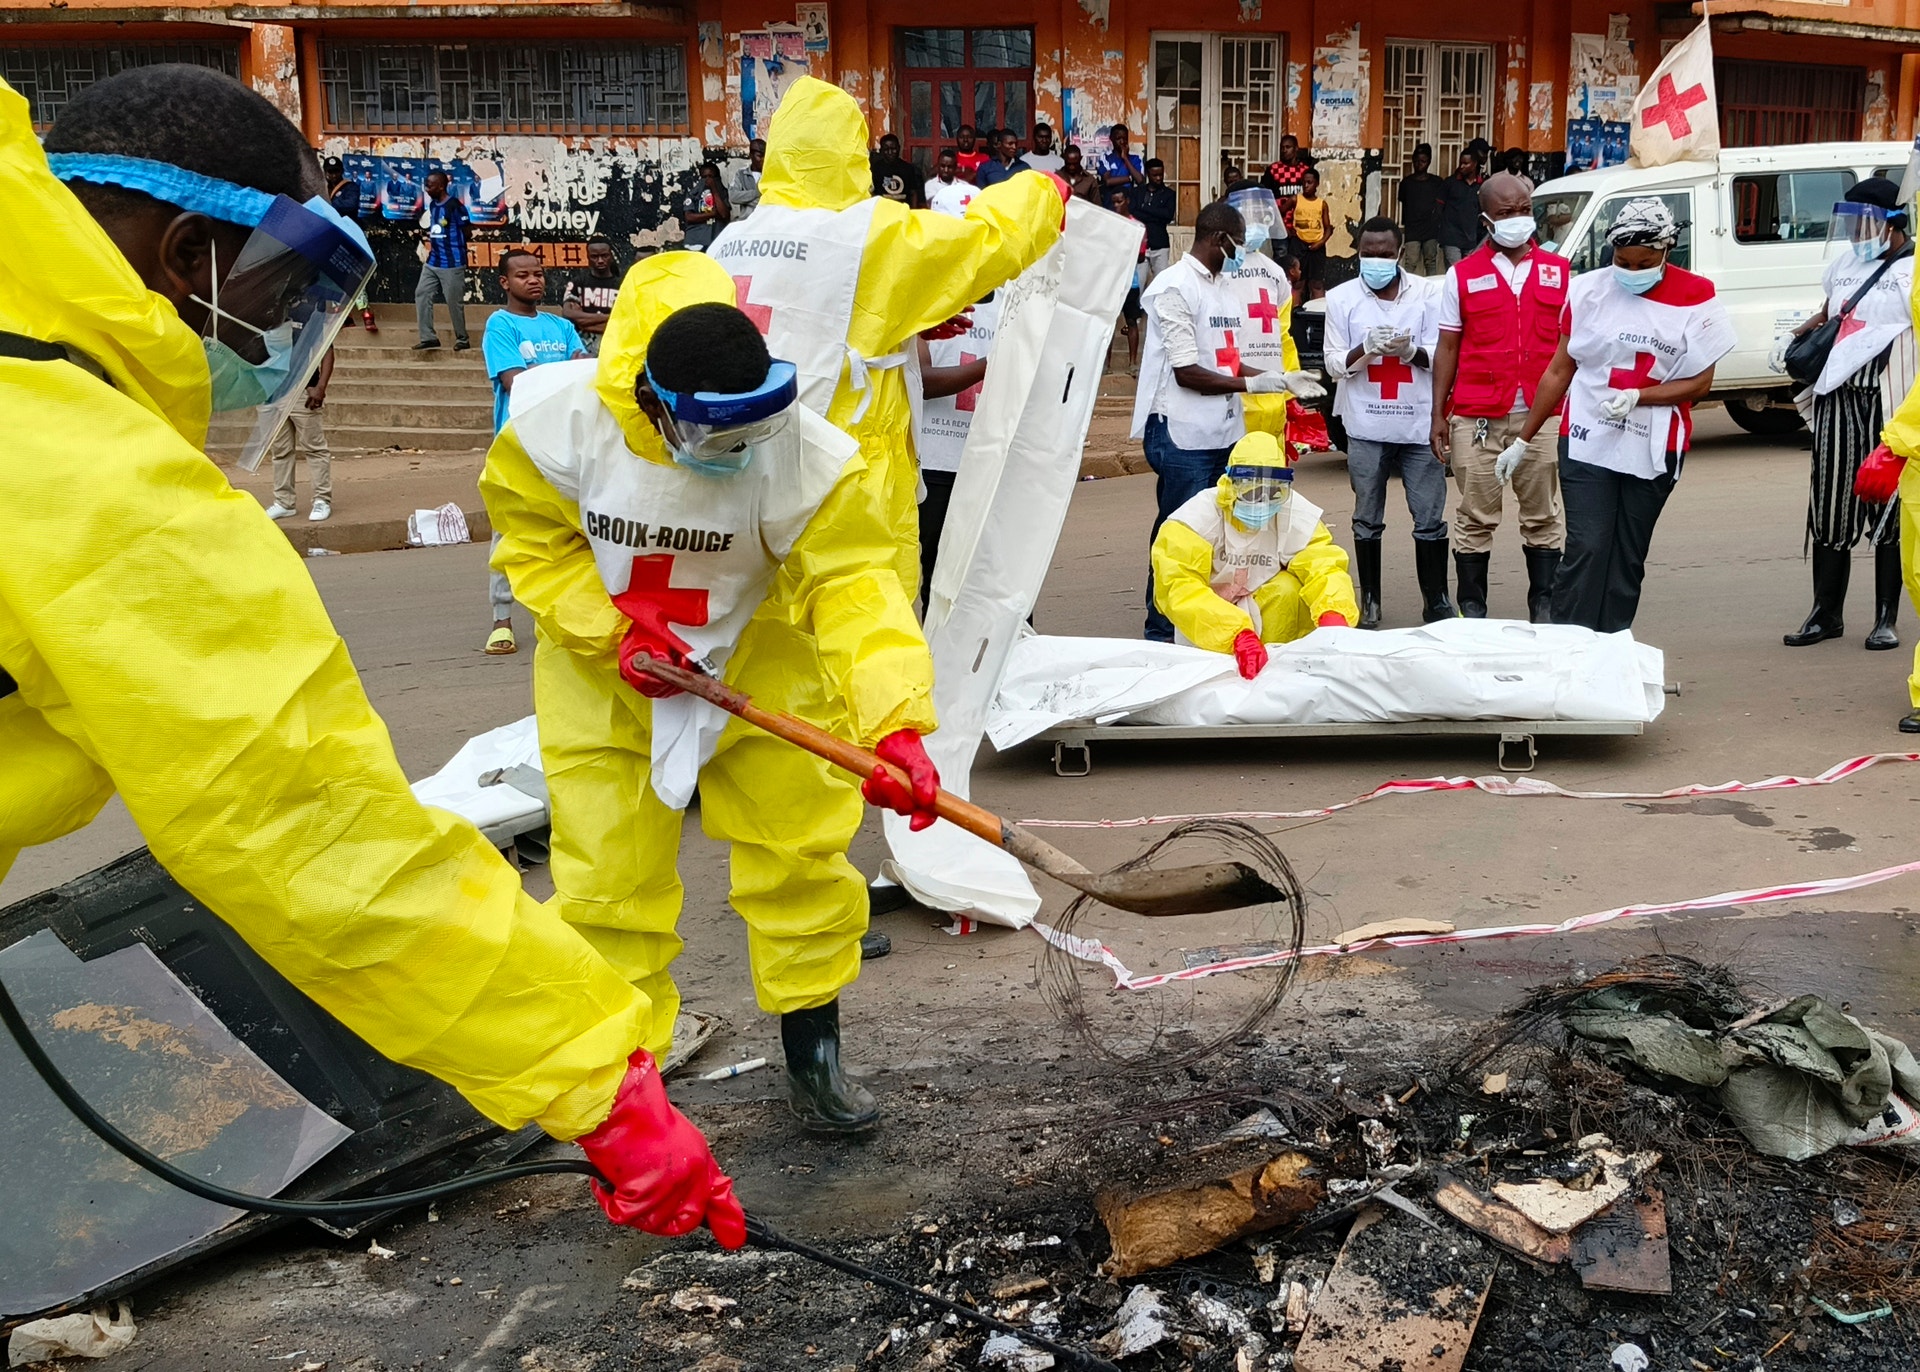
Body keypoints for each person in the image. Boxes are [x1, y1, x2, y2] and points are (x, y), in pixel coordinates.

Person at [9, 63, 743, 1249]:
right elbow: (313, 832)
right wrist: (595, 1081)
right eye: (281, 287)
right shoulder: (91, 474)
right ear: (188, 250)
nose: (285, 335)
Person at [481, 253, 941, 1132]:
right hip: (604, 685)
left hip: (761, 662)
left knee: (801, 857)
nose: (733, 457)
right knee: (608, 886)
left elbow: (855, 589)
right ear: (649, 400)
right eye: (712, 440)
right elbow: (532, 542)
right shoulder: (556, 426)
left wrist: (896, 723)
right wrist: (611, 628)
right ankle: (627, 1093)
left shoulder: (808, 456)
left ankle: (815, 1057)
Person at [708, 76, 1066, 604]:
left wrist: (902, 322)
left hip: (752, 482)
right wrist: (1040, 193)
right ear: (853, 154)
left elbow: (817, 318)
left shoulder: (730, 241)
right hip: (849, 489)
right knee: (868, 645)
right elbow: (981, 245)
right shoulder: (866, 235)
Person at [1502, 197, 1735, 631]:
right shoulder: (1587, 289)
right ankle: (1569, 647)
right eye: (1622, 261)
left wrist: (1639, 397)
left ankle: (1611, 649)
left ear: (1668, 250)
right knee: (1587, 546)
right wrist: (1523, 438)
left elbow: (1702, 383)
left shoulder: (1696, 294)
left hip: (1654, 444)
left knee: (1627, 554)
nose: (1631, 271)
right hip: (1588, 436)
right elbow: (1559, 368)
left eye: (1644, 261)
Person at [1131, 199, 1326, 640]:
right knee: (1180, 534)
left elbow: (1230, 363)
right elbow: (1187, 373)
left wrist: (1279, 380)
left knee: (1222, 536)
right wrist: (1252, 388)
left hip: (1224, 431)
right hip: (1183, 434)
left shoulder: (1223, 287)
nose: (1242, 251)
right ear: (1220, 239)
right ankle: (1163, 631)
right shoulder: (1173, 287)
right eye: (1238, 242)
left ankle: (1210, 625)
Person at [1778, 177, 1915, 651]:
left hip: (1891, 398)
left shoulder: (1913, 270)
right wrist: (1800, 334)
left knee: (1889, 505)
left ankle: (1885, 618)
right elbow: (1830, 312)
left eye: (1866, 224)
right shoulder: (1843, 264)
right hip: (1838, 394)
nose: (1857, 234)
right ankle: (1825, 613)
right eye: (1852, 224)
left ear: (1892, 224)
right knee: (1831, 502)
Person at [1430, 171, 1571, 620]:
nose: (1518, 220)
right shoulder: (1462, 275)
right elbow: (1447, 346)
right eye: (1507, 213)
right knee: (1474, 516)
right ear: (1487, 218)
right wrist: (1438, 416)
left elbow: (1575, 352)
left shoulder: (1561, 272)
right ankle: (1472, 607)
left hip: (1542, 415)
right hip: (1477, 417)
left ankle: (1543, 606)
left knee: (1543, 516)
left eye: (1525, 210)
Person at [1324, 217, 1451, 626]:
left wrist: (1410, 351)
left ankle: (1437, 601)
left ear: (1399, 254)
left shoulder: (1429, 294)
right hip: (1365, 425)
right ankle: (1371, 602)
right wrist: (1364, 348)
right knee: (1366, 515)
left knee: (1429, 516)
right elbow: (1333, 363)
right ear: (1358, 253)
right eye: (1367, 254)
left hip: (1418, 425)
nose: (1375, 260)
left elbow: (1445, 356)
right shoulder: (1341, 298)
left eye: (1383, 254)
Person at [1151, 430, 1356, 669]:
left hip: (1263, 606)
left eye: (1271, 491)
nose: (1261, 500)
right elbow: (1178, 587)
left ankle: (1285, 665)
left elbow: (1322, 563)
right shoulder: (1194, 520)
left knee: (1288, 588)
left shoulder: (1292, 512)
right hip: (1208, 619)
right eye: (1251, 491)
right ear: (1230, 485)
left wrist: (1333, 612)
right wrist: (1236, 634)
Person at [483, 248, 587, 653]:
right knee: (508, 534)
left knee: (572, 532)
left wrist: (554, 374)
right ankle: (501, 620)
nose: (534, 280)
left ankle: (565, 617)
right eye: (523, 275)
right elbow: (515, 382)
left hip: (563, 443)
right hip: (519, 447)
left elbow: (582, 370)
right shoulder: (500, 325)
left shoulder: (560, 326)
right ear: (505, 283)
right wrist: (561, 373)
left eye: (539, 273)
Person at [915, 294, 999, 601]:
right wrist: (989, 364)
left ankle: (1010, 646)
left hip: (992, 460)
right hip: (938, 462)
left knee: (999, 569)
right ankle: (941, 648)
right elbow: (921, 380)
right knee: (940, 574)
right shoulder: (930, 301)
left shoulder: (1011, 303)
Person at [264, 345, 335, 524]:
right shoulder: (268, 319)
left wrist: (320, 386)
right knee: (280, 450)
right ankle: (284, 502)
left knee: (314, 448)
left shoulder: (309, 316)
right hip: (273, 391)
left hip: (304, 389)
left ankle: (322, 499)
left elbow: (327, 350)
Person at [413, 168, 470, 352]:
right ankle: (428, 337)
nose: (427, 188)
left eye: (430, 185)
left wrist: (454, 244)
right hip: (433, 261)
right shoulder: (433, 205)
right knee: (421, 293)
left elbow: (467, 229)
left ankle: (462, 338)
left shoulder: (454, 205)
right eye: (426, 185)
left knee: (454, 301)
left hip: (452, 263)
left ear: (441, 186)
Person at [323, 154, 376, 332]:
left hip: (349, 235)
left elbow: (350, 205)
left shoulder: (350, 187)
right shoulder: (322, 187)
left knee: (355, 275)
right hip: (331, 236)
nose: (332, 175)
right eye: (329, 172)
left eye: (335, 171)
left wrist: (328, 203)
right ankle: (345, 316)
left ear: (341, 171)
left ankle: (366, 313)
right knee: (335, 277)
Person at [562, 234, 622, 357]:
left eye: (604, 256)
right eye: (594, 256)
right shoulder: (578, 283)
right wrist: (612, 317)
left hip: (615, 346)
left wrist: (584, 322)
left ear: (611, 255)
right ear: (588, 257)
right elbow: (568, 314)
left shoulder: (623, 284)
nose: (600, 260)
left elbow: (626, 321)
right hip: (583, 348)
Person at [1111, 186, 1145, 373]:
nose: (1116, 206)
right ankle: (1105, 365)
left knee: (1132, 322)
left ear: (1128, 201)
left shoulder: (1137, 227)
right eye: (1114, 202)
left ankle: (1133, 363)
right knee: (1108, 323)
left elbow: (1140, 257)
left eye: (1120, 201)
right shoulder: (1108, 225)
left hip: (1130, 282)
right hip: (1111, 282)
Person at [1397, 144, 1445, 277]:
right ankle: (1406, 289)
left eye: (1423, 161)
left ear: (1429, 162)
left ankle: (1431, 291)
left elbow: (1441, 204)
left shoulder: (1437, 182)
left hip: (1431, 228)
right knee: (1410, 262)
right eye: (1417, 161)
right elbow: (1403, 201)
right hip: (1412, 228)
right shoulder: (1406, 183)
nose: (1419, 164)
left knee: (1431, 262)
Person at [1438, 151, 1484, 268]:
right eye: (1461, 163)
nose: (1461, 166)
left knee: (1469, 273)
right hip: (1451, 238)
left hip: (1471, 239)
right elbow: (1439, 208)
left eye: (1466, 163)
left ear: (1474, 164)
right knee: (1455, 272)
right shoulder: (1450, 183)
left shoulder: (1482, 186)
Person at [1135, 159, 1177, 282]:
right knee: (1139, 286)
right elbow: (1134, 213)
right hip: (1141, 245)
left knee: (1161, 285)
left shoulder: (1169, 194)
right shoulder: (1138, 192)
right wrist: (1156, 214)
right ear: (1148, 174)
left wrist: (1145, 208)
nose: (1158, 178)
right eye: (1155, 175)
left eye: (1161, 174)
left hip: (1160, 246)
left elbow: (1168, 216)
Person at [1291, 166, 1329, 297]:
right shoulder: (1296, 199)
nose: (1306, 186)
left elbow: (1328, 228)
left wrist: (1321, 242)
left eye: (1309, 183)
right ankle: (1294, 314)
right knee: (1298, 283)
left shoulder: (1322, 204)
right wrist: (1288, 230)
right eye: (1304, 182)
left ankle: (1318, 313)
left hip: (1317, 246)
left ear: (1317, 184)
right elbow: (1280, 214)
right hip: (1299, 246)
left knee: (1317, 283)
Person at [1262, 134, 1311, 235]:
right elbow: (1265, 197)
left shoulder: (1305, 171)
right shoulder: (1273, 170)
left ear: (1296, 148)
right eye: (1282, 148)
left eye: (1288, 147)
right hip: (1278, 224)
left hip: (1301, 225)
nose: (1284, 150)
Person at [680, 162, 731, 250]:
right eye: (704, 177)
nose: (708, 180)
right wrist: (713, 214)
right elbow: (689, 217)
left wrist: (714, 189)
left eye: (710, 177)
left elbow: (724, 215)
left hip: (717, 242)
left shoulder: (723, 193)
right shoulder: (693, 194)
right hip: (696, 241)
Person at [870, 132, 926, 207]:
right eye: (886, 149)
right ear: (881, 151)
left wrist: (913, 211)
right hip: (883, 210)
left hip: (903, 209)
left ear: (899, 148)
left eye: (893, 149)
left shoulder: (908, 168)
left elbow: (913, 193)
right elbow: (872, 193)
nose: (890, 152)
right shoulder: (876, 169)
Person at [1096, 124, 1144, 210]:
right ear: (1111, 138)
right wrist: (1130, 178)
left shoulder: (1135, 158)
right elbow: (1108, 181)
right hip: (1110, 204)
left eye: (1125, 139)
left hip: (1130, 205)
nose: (1122, 142)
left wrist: (1125, 158)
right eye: (1118, 138)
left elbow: (1140, 180)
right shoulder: (1105, 157)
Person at [927, 148, 978, 217]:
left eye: (949, 167)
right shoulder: (929, 186)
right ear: (938, 166)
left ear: (955, 168)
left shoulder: (965, 186)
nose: (946, 170)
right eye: (943, 166)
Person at [731, 138, 766, 219]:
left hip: (765, 221)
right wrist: (756, 193)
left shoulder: (771, 175)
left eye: (765, 156)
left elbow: (773, 201)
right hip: (746, 221)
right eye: (759, 156)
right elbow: (733, 196)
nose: (763, 159)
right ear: (751, 155)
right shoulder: (741, 174)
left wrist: (746, 200)